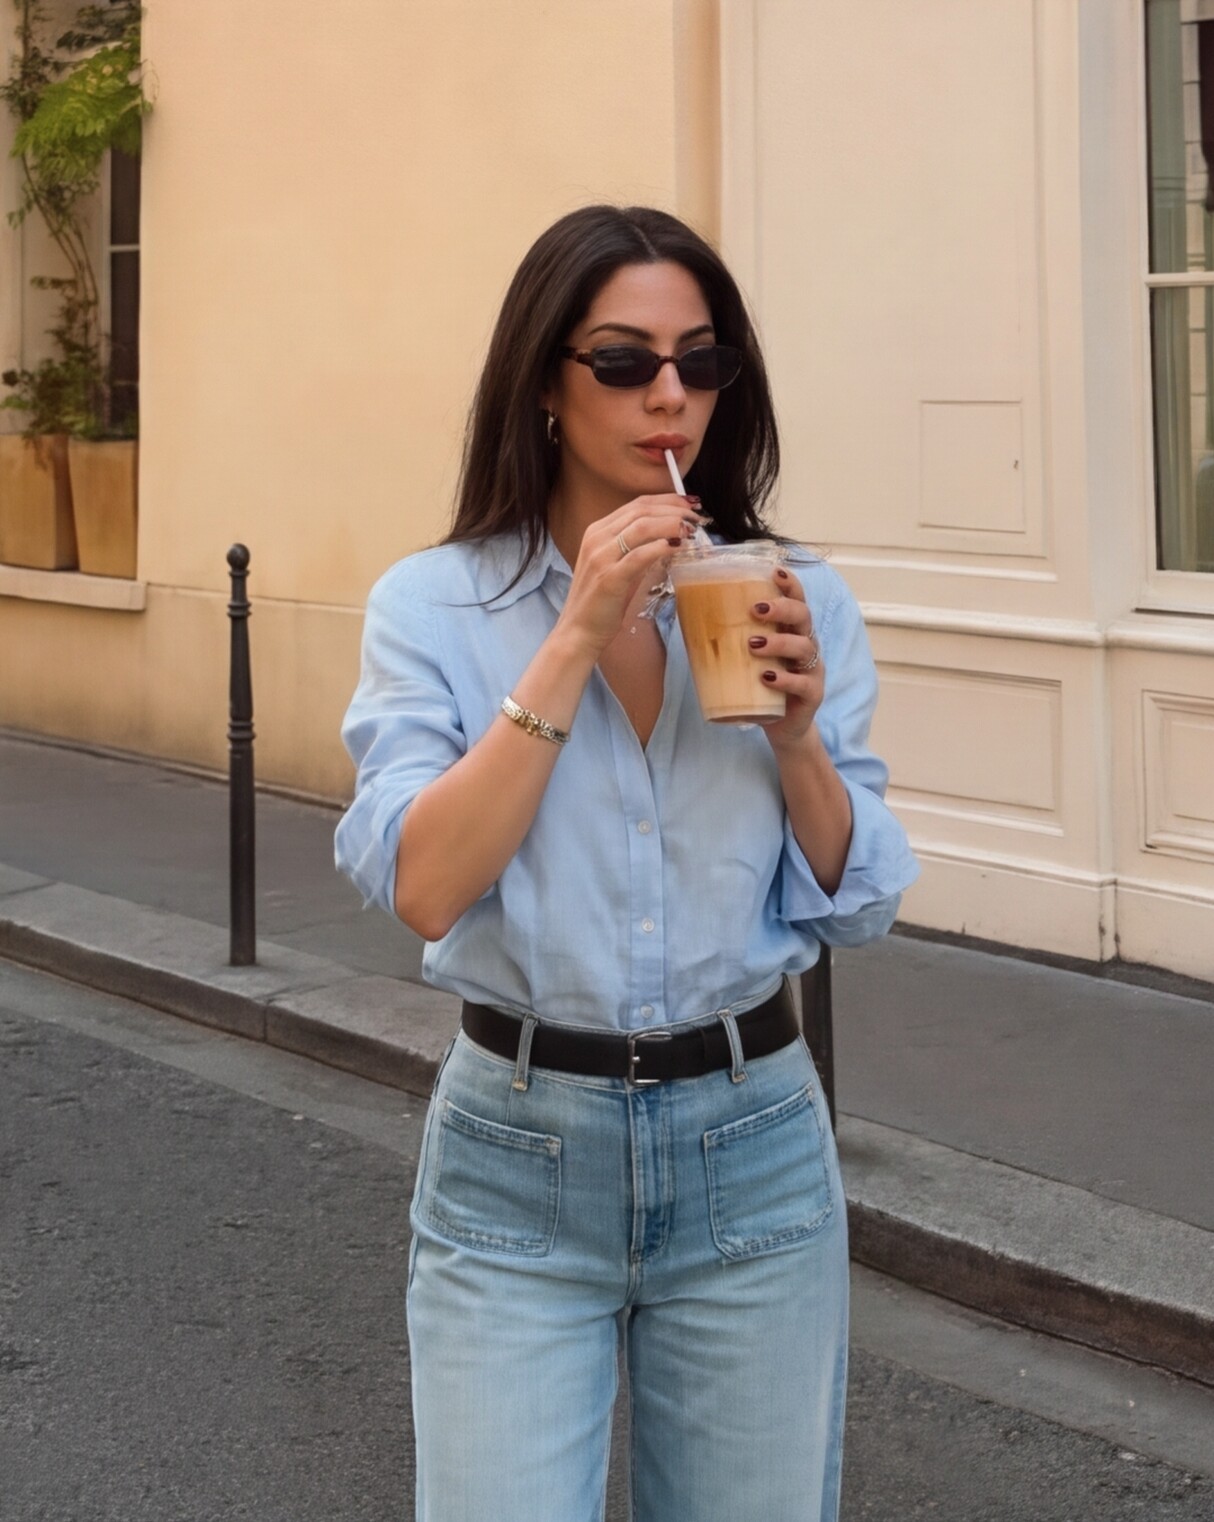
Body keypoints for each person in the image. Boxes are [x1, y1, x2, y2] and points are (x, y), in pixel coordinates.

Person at [334, 204, 918, 1522]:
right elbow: (423, 880)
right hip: (517, 1147)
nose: (669, 393)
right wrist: (577, 625)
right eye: (623, 360)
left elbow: (861, 896)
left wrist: (799, 741)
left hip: (752, 1138)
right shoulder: (434, 605)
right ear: (545, 380)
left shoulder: (790, 594)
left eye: (698, 360)